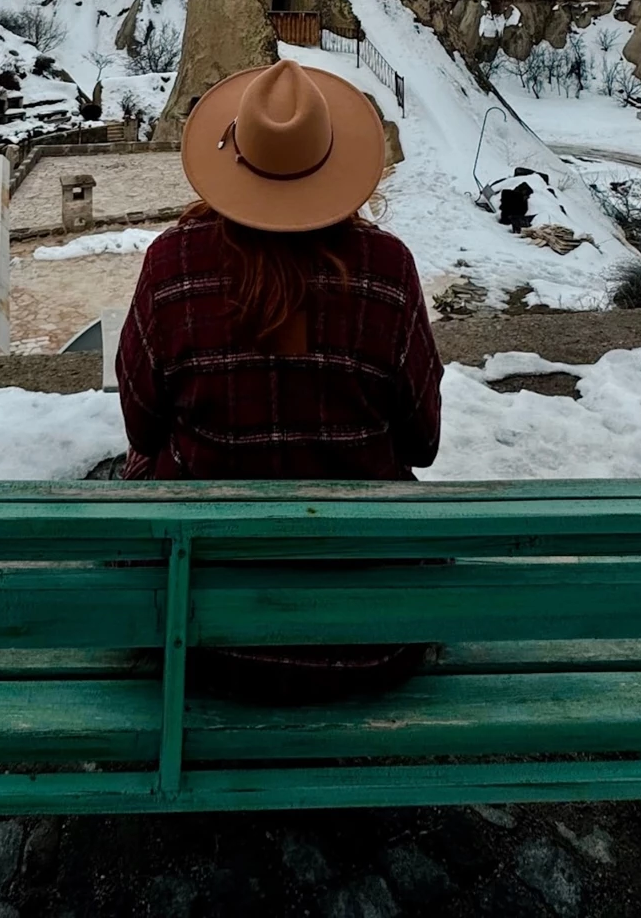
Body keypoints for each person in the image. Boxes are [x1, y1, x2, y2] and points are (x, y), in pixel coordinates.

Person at [115, 57, 443, 699]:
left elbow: (143, 427)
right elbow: (422, 444)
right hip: (372, 638)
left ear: (234, 160)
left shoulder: (171, 265)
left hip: (197, 634)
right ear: (336, 166)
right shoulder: (388, 270)